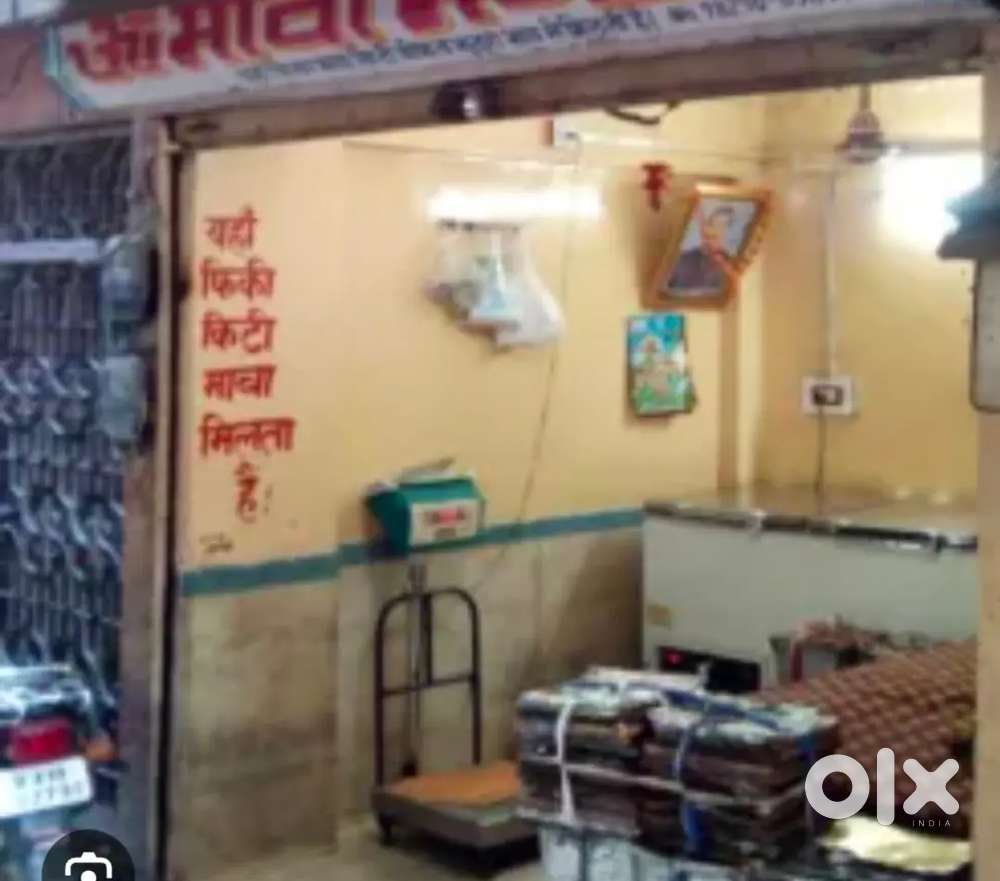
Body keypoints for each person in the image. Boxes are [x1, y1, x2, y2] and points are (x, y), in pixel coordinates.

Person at [669, 205, 737, 293]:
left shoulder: (732, 268)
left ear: (729, 235)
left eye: (721, 226)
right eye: (711, 224)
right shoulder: (683, 259)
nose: (712, 230)